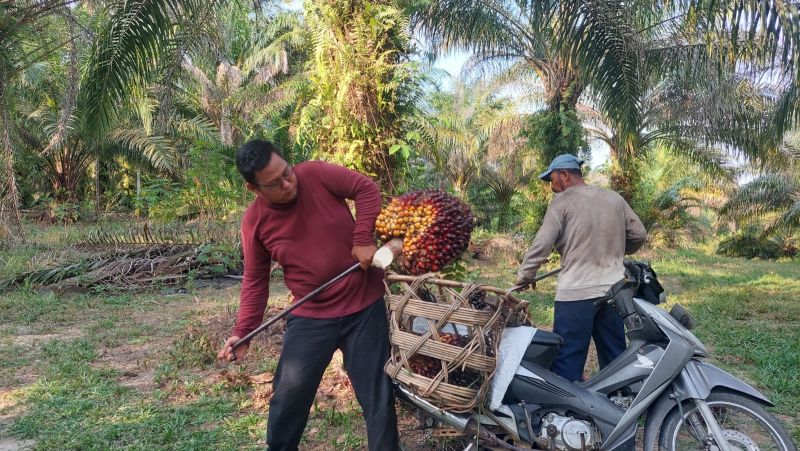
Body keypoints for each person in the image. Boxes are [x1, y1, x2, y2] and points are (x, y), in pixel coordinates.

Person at [217, 139, 399, 451]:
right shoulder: (254, 223)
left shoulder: (315, 174)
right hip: (311, 317)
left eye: (287, 172)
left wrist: (361, 237)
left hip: (363, 307)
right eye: (275, 183)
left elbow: (367, 189)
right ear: (253, 189)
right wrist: (244, 332)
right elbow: (255, 280)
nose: (288, 182)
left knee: (378, 397)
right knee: (288, 397)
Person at [515, 154, 647, 383]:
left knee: (568, 358)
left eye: (552, 179)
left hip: (576, 293)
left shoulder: (562, 201)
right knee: (615, 356)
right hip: (614, 292)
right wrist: (614, 252)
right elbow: (639, 234)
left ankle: (568, 414)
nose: (551, 187)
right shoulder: (613, 198)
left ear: (564, 175)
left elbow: (542, 244)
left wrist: (525, 276)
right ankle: (618, 405)